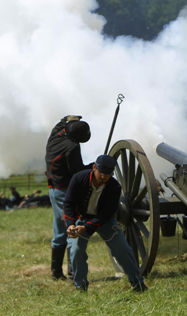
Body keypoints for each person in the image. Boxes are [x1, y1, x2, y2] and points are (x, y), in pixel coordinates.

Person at [64, 155, 147, 292]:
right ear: (94, 168)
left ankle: (138, 283)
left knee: (123, 250)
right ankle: (80, 287)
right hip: (82, 217)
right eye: (101, 172)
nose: (103, 176)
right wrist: (71, 225)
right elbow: (69, 204)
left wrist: (86, 227)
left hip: (105, 221)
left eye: (107, 174)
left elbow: (106, 214)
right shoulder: (78, 178)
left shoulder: (114, 187)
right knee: (76, 250)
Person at [45, 115, 93, 281]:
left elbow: (62, 120)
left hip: (54, 189)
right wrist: (93, 167)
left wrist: (70, 118)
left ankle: (56, 273)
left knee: (59, 230)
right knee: (73, 227)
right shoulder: (71, 147)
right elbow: (77, 172)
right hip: (65, 192)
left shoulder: (56, 133)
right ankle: (74, 274)